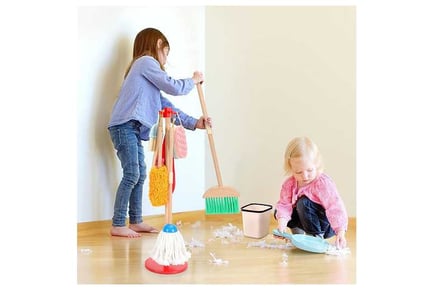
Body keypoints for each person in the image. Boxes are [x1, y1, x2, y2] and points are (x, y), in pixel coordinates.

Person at [107, 28, 211, 238]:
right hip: (123, 126)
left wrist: (195, 123)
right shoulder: (146, 62)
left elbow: (165, 106)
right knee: (132, 174)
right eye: (166, 52)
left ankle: (135, 220)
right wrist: (193, 80)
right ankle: (118, 223)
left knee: (139, 174)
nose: (165, 59)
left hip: (132, 128)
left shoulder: (146, 76)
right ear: (158, 46)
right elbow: (174, 87)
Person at [274, 136, 348, 249]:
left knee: (303, 203)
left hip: (325, 225)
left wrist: (340, 232)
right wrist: (282, 225)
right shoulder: (289, 184)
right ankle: (298, 235)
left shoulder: (322, 183)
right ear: (291, 168)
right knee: (280, 212)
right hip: (305, 220)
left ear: (317, 165)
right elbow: (284, 205)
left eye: (309, 170)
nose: (305, 176)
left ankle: (315, 237)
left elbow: (335, 206)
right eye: (298, 172)